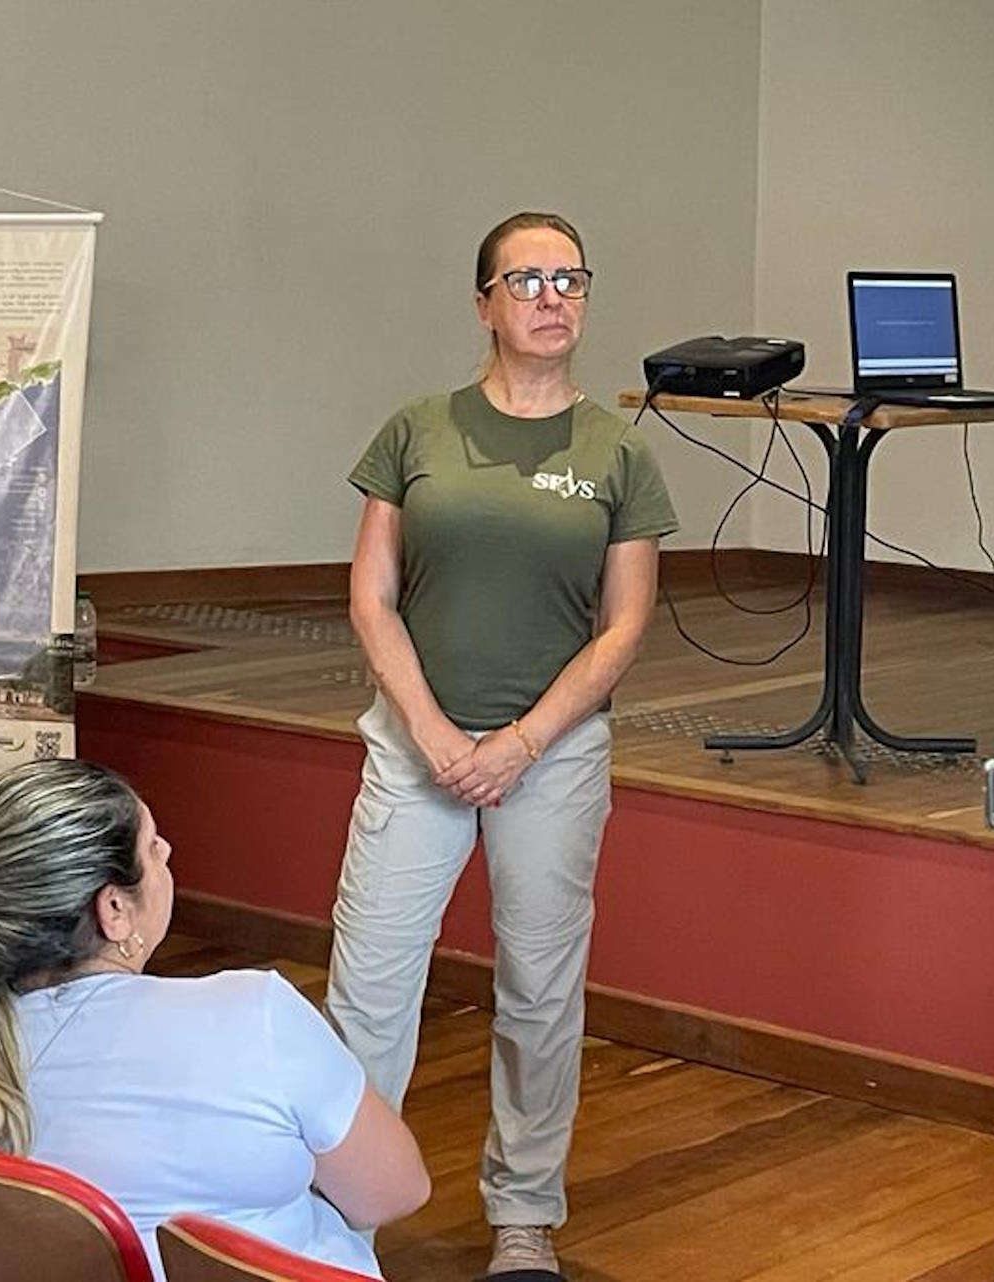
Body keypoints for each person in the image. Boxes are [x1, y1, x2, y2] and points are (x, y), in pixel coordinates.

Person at [325, 210, 677, 1277]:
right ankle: (342, 1215)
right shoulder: (417, 430)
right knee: (371, 983)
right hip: (413, 747)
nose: (551, 297)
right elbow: (371, 596)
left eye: (569, 278)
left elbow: (624, 625)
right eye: (524, 280)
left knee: (539, 987)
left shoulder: (620, 451)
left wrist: (522, 741)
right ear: (483, 303)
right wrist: (433, 731)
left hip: (553, 759)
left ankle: (524, 1212)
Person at [0, 759, 430, 1280]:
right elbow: (393, 1193)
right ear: (113, 909)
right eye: (154, 847)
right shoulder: (255, 1019)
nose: (167, 853)